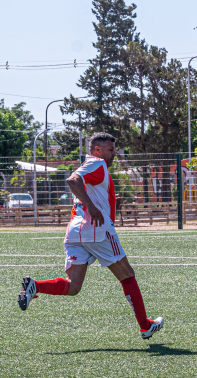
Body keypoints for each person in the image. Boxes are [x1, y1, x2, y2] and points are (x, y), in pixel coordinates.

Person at [17, 133, 164, 339]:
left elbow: (86, 189)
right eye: (110, 149)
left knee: (73, 286)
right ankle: (145, 326)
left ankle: (35, 286)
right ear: (97, 150)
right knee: (127, 275)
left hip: (75, 230)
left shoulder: (92, 167)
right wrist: (92, 206)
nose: (113, 154)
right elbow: (73, 181)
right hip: (96, 230)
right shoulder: (97, 164)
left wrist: (109, 205)